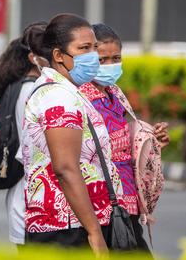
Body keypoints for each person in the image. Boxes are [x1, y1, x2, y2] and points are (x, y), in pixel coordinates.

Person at [22, 13, 125, 255]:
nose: (92, 56)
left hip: (71, 222)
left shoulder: (68, 91)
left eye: (94, 48)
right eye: (83, 48)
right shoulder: (59, 97)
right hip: (66, 227)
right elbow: (66, 168)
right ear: (58, 55)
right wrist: (94, 232)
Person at [78, 23, 170, 253]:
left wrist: (150, 141)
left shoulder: (115, 93)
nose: (110, 65)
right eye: (102, 60)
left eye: (116, 58)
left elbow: (123, 142)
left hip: (128, 197)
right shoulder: (80, 97)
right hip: (102, 201)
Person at [0, 22, 48, 247]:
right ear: (34, 57)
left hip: (23, 199)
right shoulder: (34, 91)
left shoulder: (17, 86)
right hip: (33, 205)